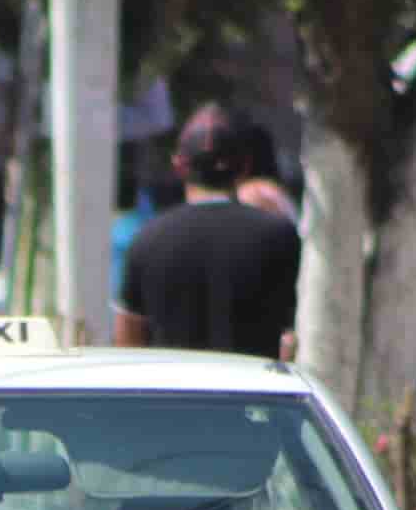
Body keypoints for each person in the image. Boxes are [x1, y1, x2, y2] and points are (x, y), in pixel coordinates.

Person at [114, 106, 302, 358]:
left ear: (179, 166)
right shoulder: (281, 236)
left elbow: (128, 342)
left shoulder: (146, 239)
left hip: (174, 393)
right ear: (244, 167)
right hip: (252, 394)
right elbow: (291, 336)